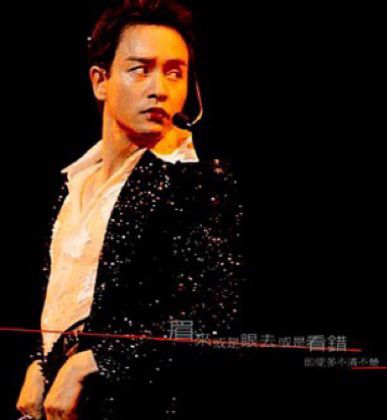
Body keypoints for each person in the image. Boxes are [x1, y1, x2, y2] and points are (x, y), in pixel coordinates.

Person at [16, 1, 246, 418]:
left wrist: (95, 360)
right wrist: (38, 362)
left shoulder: (198, 181)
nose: (160, 88)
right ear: (100, 81)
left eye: (174, 72)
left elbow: (214, 319)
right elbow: (63, 300)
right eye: (141, 69)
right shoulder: (73, 183)